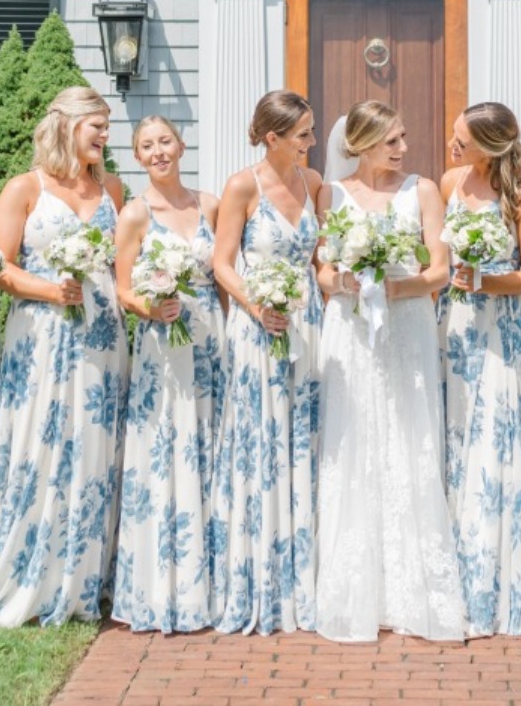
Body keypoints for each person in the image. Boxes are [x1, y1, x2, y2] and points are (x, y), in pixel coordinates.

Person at [0, 87, 127, 627]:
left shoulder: (112, 188)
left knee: (92, 444)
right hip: (41, 335)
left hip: (102, 337)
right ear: (67, 126)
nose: (105, 138)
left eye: (107, 128)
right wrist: (48, 290)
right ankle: (29, 575)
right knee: (42, 440)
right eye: (97, 127)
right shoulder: (24, 188)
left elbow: (121, 263)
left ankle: (87, 578)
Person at [315, 100, 465, 642]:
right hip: (351, 328)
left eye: (403, 137)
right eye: (391, 140)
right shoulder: (331, 194)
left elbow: (440, 269)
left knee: (408, 435)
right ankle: (355, 589)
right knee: (355, 439)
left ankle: (412, 589)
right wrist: (343, 283)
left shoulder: (422, 190)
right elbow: (323, 266)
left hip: (407, 326)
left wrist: (392, 288)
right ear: (358, 144)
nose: (402, 148)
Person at [211, 90, 323, 634]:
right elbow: (221, 262)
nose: (312, 141)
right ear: (273, 137)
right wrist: (257, 306)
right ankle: (260, 574)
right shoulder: (242, 185)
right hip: (259, 328)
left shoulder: (315, 183)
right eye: (303, 134)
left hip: (311, 324)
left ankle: (307, 575)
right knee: (263, 438)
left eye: (312, 131)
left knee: (307, 436)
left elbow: (321, 262)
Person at [112, 116, 225, 633]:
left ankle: (214, 579)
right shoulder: (135, 214)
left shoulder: (210, 204)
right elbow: (122, 287)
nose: (159, 152)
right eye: (147, 146)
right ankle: (164, 582)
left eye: (165, 142)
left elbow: (223, 276)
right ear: (138, 156)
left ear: (182, 144)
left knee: (209, 443)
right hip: (163, 344)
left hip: (210, 339)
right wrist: (150, 309)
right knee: (168, 448)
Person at [438, 102, 521, 636]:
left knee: (493, 443)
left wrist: (485, 281)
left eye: (463, 139)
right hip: (453, 327)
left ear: (491, 144)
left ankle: (496, 579)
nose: (453, 144)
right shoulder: (450, 183)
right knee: (455, 437)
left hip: (500, 331)